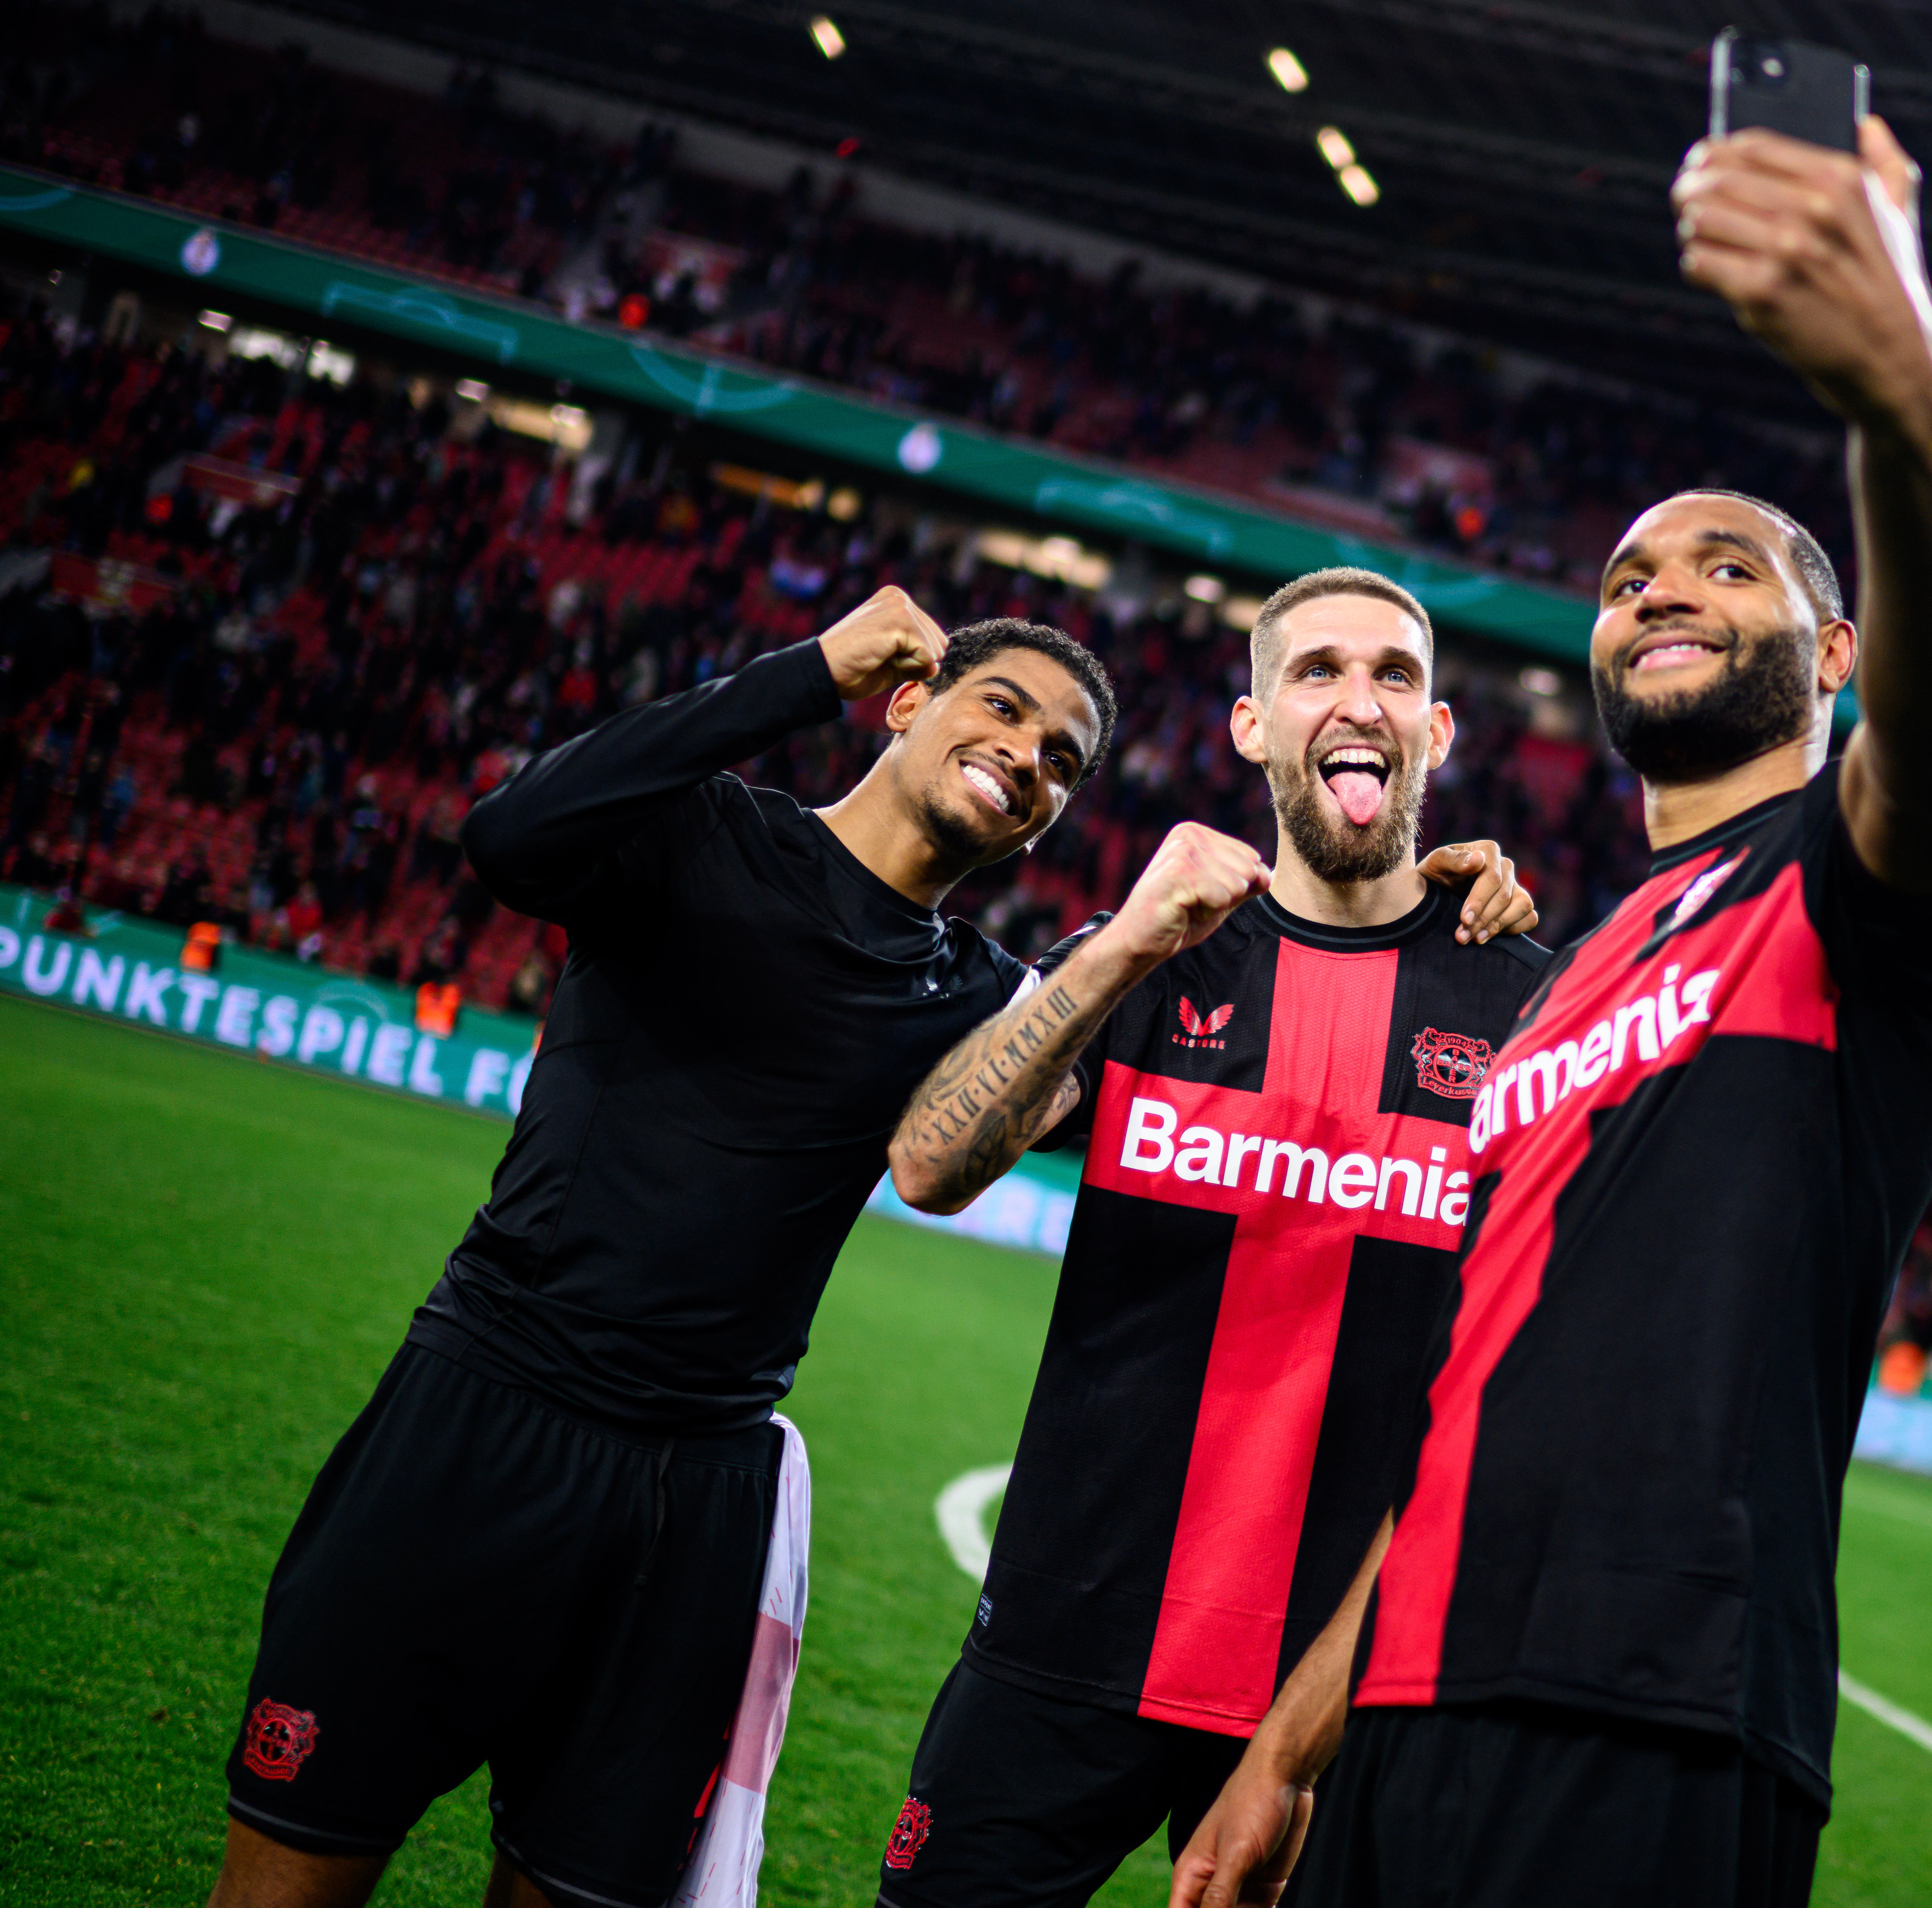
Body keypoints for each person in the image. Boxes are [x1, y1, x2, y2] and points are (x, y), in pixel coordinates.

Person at [208, 583, 1532, 1908]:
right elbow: (512, 837)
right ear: (908, 702)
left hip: (705, 1498)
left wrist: (1465, 906)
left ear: (1441, 725)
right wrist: (808, 671)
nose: (1026, 759)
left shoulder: (973, 986)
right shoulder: (712, 837)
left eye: (1062, 760)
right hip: (486, 1417)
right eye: (1001, 712)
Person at [1172, 115, 1932, 1908]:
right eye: (1634, 574)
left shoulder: (1848, 886)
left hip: (1653, 1718)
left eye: (1730, 569)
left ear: (1838, 650)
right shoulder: (1566, 975)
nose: (1662, 590)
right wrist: (1285, 1748)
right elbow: (1470, 1401)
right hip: (1402, 1721)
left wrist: (1900, 403)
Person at [872, 569, 1552, 1908]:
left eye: (1396, 677)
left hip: (1338, 1703)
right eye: (1316, 673)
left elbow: (1524, 1398)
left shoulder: (1529, 1008)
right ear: (1251, 726)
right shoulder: (1153, 954)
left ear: (1441, 734)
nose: (1359, 701)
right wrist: (1121, 943)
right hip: (1069, 1640)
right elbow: (929, 1165)